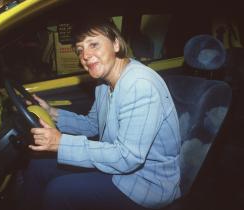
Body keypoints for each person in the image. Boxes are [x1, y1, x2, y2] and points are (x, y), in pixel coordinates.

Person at [18, 18, 181, 210]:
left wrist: (61, 143)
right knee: (40, 166)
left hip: (146, 183)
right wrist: (50, 112)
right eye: (80, 50)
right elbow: (92, 125)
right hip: (118, 166)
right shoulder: (104, 84)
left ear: (116, 44)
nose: (85, 55)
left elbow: (127, 158)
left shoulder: (139, 84)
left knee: (59, 191)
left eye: (93, 44)